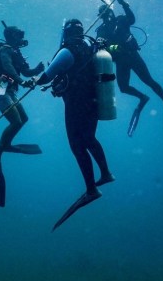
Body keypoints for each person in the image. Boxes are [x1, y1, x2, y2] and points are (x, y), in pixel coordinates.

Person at [34, 19, 115, 230]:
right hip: (95, 101)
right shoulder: (91, 45)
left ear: (66, 33)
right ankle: (106, 174)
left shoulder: (66, 51)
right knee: (89, 138)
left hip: (77, 104)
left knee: (76, 144)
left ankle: (91, 190)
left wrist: (32, 81)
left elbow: (46, 77)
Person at [96, 0, 163, 137]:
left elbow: (131, 19)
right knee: (123, 88)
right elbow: (101, 46)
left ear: (110, 12)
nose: (107, 16)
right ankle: (143, 97)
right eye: (103, 15)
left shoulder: (120, 20)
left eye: (107, 13)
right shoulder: (101, 30)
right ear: (100, 17)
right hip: (121, 61)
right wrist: (110, 47)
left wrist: (123, 3)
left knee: (148, 80)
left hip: (132, 56)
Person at [0, 24, 45, 207]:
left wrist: (37, 70)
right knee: (15, 121)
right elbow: (8, 67)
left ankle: (6, 146)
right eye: (19, 35)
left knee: (23, 120)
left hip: (9, 91)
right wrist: (22, 80)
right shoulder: (5, 50)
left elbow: (25, 71)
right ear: (11, 36)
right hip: (0, 90)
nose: (22, 38)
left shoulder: (15, 51)